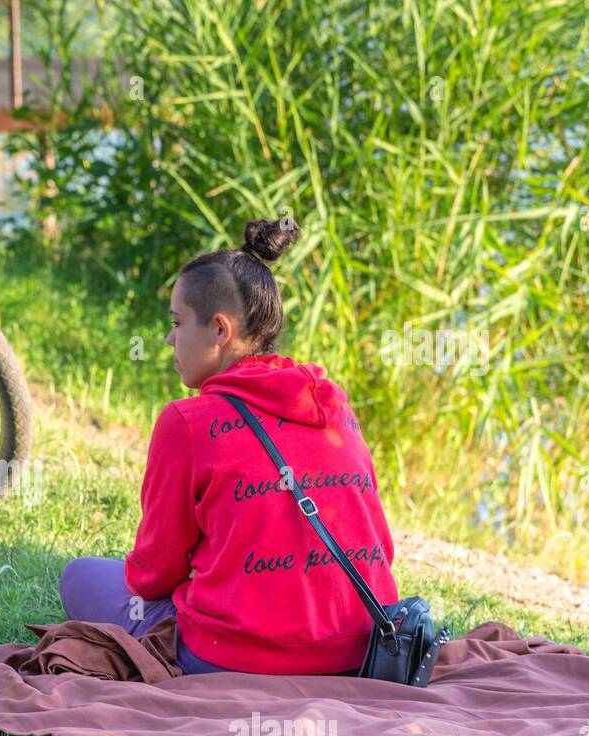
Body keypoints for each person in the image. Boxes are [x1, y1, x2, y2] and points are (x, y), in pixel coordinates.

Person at [58, 216, 399, 675]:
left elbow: (151, 575)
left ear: (220, 330)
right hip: (362, 652)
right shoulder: (334, 405)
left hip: (232, 656)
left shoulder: (186, 422)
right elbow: (381, 550)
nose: (169, 339)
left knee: (78, 576)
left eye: (178, 323)